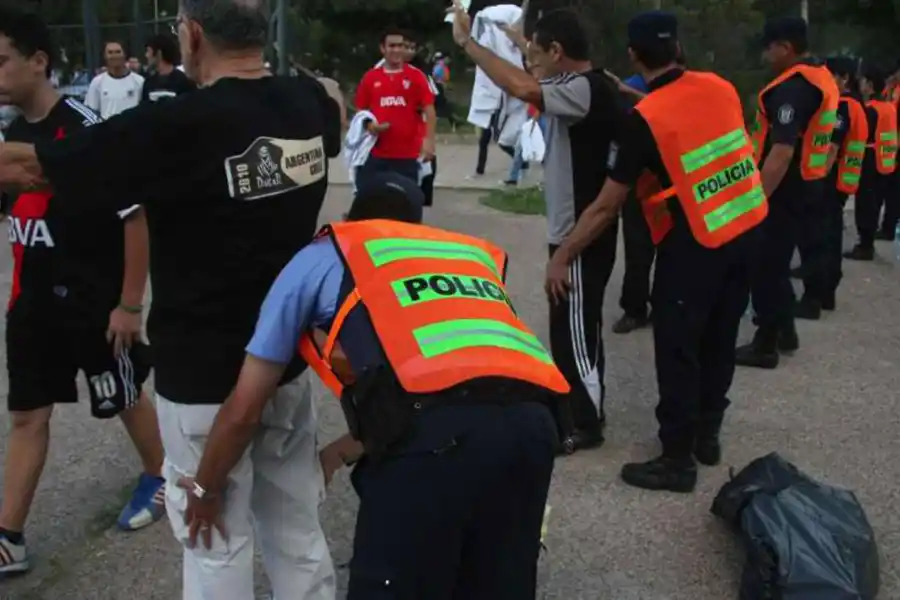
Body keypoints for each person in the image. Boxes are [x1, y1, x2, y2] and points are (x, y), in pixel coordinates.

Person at [0, 0, 342, 597]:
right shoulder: (305, 102)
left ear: (192, 36)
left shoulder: (175, 126)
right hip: (284, 363)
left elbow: (34, 168)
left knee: (213, 540)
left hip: (203, 378)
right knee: (296, 529)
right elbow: (334, 104)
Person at [177, 183, 564, 598]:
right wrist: (339, 451)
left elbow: (244, 409)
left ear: (347, 222)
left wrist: (206, 489)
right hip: (535, 428)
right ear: (415, 228)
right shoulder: (458, 257)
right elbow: (458, 383)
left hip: (435, 450)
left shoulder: (328, 255)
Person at [546, 10, 766, 492]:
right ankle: (707, 436)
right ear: (679, 49)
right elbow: (683, 109)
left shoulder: (643, 120)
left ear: (632, 55)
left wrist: (562, 256)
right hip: (746, 227)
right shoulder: (720, 88)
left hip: (698, 242)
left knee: (679, 348)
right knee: (720, 340)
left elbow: (605, 208)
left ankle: (676, 459)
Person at [0, 7, 166, 573]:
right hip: (29, 306)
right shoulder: (9, 134)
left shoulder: (83, 128)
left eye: (1, 61)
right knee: (27, 415)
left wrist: (127, 304)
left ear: (38, 61)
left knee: (120, 395)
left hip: (92, 303)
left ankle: (161, 474)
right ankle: (9, 537)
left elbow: (134, 214)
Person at [451, 4, 625, 453]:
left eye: (536, 50)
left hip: (580, 232)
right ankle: (574, 411)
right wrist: (514, 37)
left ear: (558, 50)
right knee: (568, 327)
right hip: (572, 231)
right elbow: (529, 73)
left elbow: (520, 85)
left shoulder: (583, 89)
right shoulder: (584, 82)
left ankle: (585, 423)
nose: (530, 58)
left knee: (577, 331)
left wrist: (468, 44)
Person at [735, 17, 838, 369]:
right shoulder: (819, 76)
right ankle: (785, 330)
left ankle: (765, 345)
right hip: (808, 184)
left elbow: (781, 150)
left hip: (784, 188)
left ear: (786, 47)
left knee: (766, 265)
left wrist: (756, 198)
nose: (766, 55)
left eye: (769, 47)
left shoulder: (793, 88)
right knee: (776, 262)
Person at [354, 27, 436, 187]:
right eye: (392, 46)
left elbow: (429, 110)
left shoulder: (416, 76)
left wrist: (429, 141)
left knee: (407, 203)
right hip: (376, 154)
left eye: (401, 46)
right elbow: (361, 112)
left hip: (408, 155)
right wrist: (370, 126)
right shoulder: (370, 77)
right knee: (375, 204)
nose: (397, 50)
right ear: (382, 48)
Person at [817, 56, 866, 307]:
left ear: (844, 78)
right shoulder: (856, 105)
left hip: (831, 182)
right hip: (843, 180)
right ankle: (827, 288)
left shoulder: (842, 107)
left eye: (830, 75)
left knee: (825, 238)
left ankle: (823, 291)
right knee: (831, 236)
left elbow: (832, 147)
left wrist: (817, 179)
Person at [845, 65, 897, 261]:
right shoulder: (889, 107)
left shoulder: (871, 110)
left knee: (865, 204)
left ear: (870, 85)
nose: (861, 84)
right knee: (875, 204)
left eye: (864, 81)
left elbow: (861, 135)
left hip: (869, 160)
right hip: (885, 161)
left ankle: (864, 246)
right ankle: (868, 242)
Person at [85, 41, 145, 118]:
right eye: (110, 52)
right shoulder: (97, 82)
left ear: (124, 54)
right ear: (105, 56)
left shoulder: (139, 81)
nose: (114, 56)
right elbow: (91, 112)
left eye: (118, 52)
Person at [141, 32, 195, 103]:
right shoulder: (148, 83)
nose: (146, 55)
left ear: (159, 54)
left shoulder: (184, 82)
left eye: (148, 51)